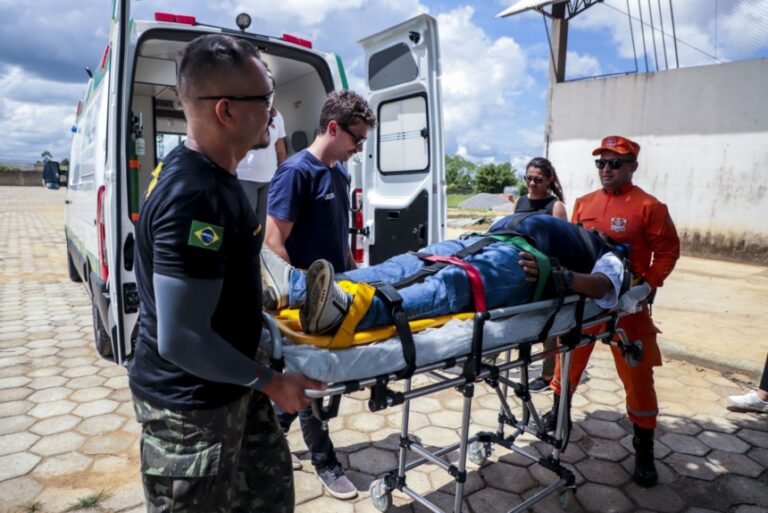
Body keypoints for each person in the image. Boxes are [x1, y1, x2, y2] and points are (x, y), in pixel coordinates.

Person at [128, 34, 323, 513]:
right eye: (265, 101)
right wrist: (271, 382)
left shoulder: (220, 179)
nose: (274, 114)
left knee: (268, 497)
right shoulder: (195, 196)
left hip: (234, 384)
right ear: (226, 111)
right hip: (192, 410)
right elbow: (181, 339)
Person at [547, 135, 680, 488]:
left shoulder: (650, 207)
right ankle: (560, 413)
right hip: (588, 302)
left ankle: (644, 447)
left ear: (632, 166)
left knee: (639, 375)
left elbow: (668, 251)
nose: (606, 169)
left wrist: (649, 284)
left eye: (615, 163)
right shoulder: (584, 203)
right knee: (568, 356)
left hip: (628, 305)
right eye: (601, 163)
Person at [263, 89, 377, 499]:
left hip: (337, 298)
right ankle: (324, 461)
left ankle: (265, 437)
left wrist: (351, 277)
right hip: (306, 306)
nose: (359, 149)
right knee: (316, 383)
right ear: (333, 127)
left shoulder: (339, 173)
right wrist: (302, 302)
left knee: (317, 384)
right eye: (356, 139)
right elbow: (274, 242)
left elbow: (338, 236)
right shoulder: (296, 173)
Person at [261, 213, 627, 336]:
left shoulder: (606, 254)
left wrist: (562, 278)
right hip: (483, 242)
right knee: (405, 264)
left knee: (445, 286)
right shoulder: (573, 229)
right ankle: (295, 288)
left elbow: (606, 288)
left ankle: (351, 312)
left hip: (523, 268)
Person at [516, 157, 567, 392]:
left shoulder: (555, 207)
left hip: (546, 270)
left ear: (549, 180)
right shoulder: (520, 202)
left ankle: (548, 375)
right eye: (529, 178)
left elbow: (564, 244)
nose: (532, 184)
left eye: (538, 179)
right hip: (522, 267)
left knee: (549, 326)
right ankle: (522, 363)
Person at [236, 73, 287, 226]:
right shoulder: (242, 112)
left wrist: (281, 178)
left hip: (270, 180)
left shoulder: (278, 117)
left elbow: (281, 150)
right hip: (244, 177)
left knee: (263, 227)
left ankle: (257, 251)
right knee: (246, 226)